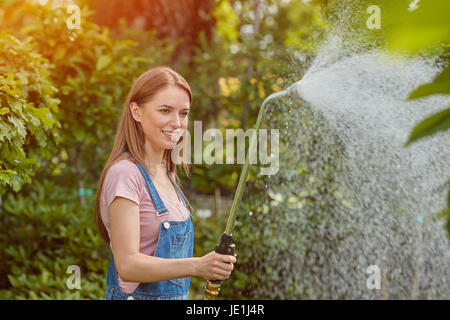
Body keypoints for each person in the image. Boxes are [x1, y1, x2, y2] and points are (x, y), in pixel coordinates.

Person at [93, 66, 236, 300]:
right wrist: (198, 265)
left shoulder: (168, 173)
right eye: (165, 111)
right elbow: (127, 265)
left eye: (183, 113)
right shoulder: (125, 174)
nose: (177, 123)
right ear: (136, 111)